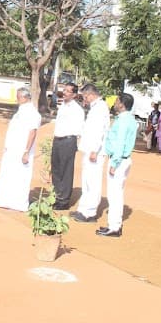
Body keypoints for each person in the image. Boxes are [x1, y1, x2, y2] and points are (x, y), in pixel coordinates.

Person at [96, 92, 138, 238]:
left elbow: (120, 143)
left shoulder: (123, 121)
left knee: (114, 195)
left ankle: (114, 227)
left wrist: (114, 163)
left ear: (122, 104)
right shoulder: (129, 119)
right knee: (116, 193)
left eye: (117, 101)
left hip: (118, 160)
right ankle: (114, 225)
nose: (114, 103)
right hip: (123, 159)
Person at [0, 87, 41, 212]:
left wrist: (26, 152)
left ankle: (19, 203)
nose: (17, 99)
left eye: (18, 97)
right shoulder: (20, 112)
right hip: (12, 150)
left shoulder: (33, 113)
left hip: (22, 151)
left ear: (25, 98)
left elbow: (32, 132)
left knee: (21, 177)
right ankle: (4, 200)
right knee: (8, 175)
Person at [71, 83, 110, 224]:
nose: (84, 100)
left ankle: (90, 212)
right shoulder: (95, 108)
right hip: (89, 149)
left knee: (93, 181)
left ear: (91, 95)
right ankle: (83, 209)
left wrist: (94, 149)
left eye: (85, 97)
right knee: (86, 181)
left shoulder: (100, 108)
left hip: (95, 151)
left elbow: (100, 131)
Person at [50, 82, 85, 210]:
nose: (64, 92)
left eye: (68, 91)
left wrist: (76, 144)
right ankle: (56, 196)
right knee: (56, 169)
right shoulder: (62, 106)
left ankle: (64, 201)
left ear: (74, 95)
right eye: (64, 90)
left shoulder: (77, 110)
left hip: (68, 141)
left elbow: (79, 129)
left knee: (66, 171)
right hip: (58, 140)